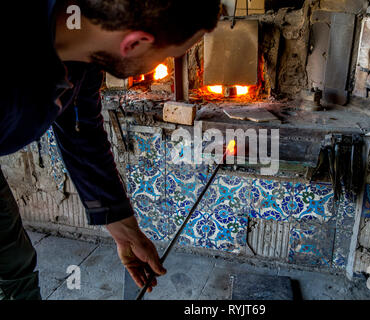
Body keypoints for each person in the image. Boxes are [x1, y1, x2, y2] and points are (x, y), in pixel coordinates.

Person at [0, 0, 220, 300]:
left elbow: (81, 131)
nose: (163, 62)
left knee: (15, 263)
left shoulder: (83, 54)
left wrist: (123, 226)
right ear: (136, 42)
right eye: (167, 55)